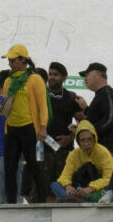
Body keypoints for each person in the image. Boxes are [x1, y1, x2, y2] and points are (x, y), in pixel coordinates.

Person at [0, 44, 49, 203]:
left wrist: (43, 127)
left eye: (13, 60)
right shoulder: (8, 81)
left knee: (33, 165)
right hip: (11, 128)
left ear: (22, 60)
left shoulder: (35, 79)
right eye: (9, 60)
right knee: (9, 168)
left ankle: (42, 200)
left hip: (29, 127)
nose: (10, 63)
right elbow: (6, 106)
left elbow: (42, 105)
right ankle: (11, 202)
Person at [52, 120, 113, 203]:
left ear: (94, 139)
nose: (86, 144)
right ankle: (71, 197)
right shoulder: (74, 154)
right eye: (83, 140)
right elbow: (64, 176)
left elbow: (110, 177)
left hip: (97, 188)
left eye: (89, 139)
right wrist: (68, 186)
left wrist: (91, 188)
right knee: (55, 185)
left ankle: (74, 199)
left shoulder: (103, 152)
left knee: (110, 188)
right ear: (78, 141)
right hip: (79, 188)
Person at [42, 62, 79, 192]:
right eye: (50, 74)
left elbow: (83, 122)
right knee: (40, 189)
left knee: (63, 189)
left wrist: (70, 137)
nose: (51, 77)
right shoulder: (41, 95)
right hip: (42, 150)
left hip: (64, 152)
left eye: (56, 75)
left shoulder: (71, 97)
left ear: (64, 78)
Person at [75, 62, 113, 156]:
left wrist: (88, 132)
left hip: (106, 151)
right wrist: (86, 109)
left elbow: (110, 119)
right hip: (97, 151)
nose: (85, 79)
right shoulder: (101, 94)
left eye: (87, 75)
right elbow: (97, 117)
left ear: (99, 74)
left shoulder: (107, 93)